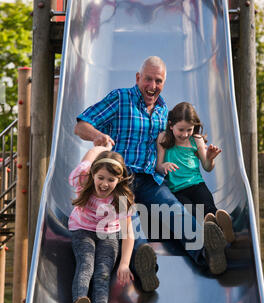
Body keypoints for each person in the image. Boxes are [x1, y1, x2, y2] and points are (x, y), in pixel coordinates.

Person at [74, 56, 228, 277]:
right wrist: (98, 136)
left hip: (149, 179)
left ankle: (208, 255)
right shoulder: (120, 98)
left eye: (158, 81)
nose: (152, 86)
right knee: (130, 221)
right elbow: (81, 126)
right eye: (148, 79)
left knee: (173, 209)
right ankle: (145, 267)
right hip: (119, 178)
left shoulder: (164, 111)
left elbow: (179, 138)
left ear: (164, 82)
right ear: (138, 78)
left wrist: (203, 151)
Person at [156, 102, 235, 275]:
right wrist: (165, 166)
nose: (185, 134)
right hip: (177, 190)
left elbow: (207, 166)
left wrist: (211, 157)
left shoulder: (196, 140)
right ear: (171, 125)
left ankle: (223, 232)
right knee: (191, 213)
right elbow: (158, 166)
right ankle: (218, 236)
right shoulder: (163, 138)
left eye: (189, 130)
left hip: (197, 184)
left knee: (209, 210)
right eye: (181, 130)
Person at [68, 145, 135, 303]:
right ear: (93, 175)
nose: (105, 184)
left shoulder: (121, 198)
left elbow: (128, 233)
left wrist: (124, 264)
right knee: (86, 263)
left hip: (108, 233)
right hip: (82, 229)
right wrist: (100, 147)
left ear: (119, 180)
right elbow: (89, 158)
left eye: (111, 180)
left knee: (103, 272)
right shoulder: (83, 179)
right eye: (101, 178)